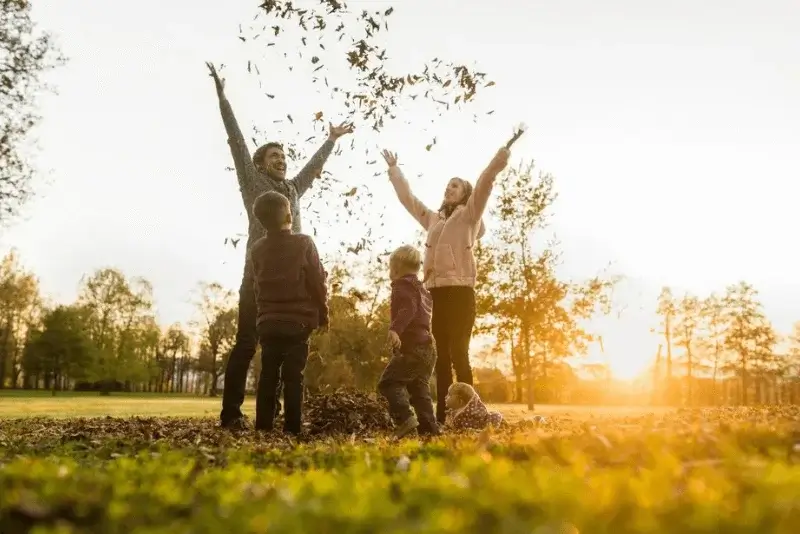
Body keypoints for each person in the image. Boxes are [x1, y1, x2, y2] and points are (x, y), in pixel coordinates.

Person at [206, 62, 353, 430]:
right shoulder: (253, 182)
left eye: (284, 157)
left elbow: (311, 171)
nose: (282, 161)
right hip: (258, 278)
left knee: (289, 354)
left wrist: (331, 141)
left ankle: (283, 416)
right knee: (246, 343)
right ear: (258, 165)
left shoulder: (292, 190)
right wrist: (223, 98)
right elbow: (237, 140)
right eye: (274, 157)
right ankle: (231, 414)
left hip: (293, 283)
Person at [380, 146, 510, 424]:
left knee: (459, 354)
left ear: (465, 193)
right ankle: (442, 417)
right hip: (435, 294)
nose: (448, 189)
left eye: (455, 186)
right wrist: (394, 171)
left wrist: (499, 159)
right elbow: (409, 200)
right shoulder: (434, 220)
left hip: (461, 293)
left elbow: (486, 183)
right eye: (447, 185)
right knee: (440, 358)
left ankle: (473, 414)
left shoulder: (470, 215)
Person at [249, 191, 328, 434]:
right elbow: (317, 281)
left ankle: (263, 425)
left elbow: (256, 285)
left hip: (269, 322)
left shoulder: (257, 249)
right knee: (294, 374)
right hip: (298, 321)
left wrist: (262, 315)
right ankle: (292, 427)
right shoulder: (304, 243)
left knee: (269, 374)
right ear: (288, 216)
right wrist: (324, 313)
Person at [376, 245, 440, 438]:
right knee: (419, 390)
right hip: (428, 350)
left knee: (388, 383)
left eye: (390, 268)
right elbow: (416, 306)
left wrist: (395, 329)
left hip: (413, 349)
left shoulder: (402, 286)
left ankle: (405, 418)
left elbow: (408, 309)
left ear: (395, 268)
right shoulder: (422, 289)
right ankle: (430, 430)